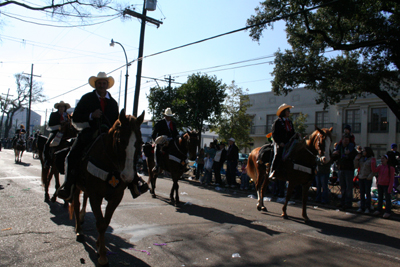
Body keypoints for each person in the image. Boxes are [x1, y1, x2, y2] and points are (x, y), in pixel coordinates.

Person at [57, 72, 119, 201]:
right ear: (95, 85)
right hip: (89, 133)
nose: (102, 86)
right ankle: (68, 186)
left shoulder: (113, 103)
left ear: (107, 85)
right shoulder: (86, 98)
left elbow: (116, 121)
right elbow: (76, 118)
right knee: (72, 155)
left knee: (124, 151)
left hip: (108, 134)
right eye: (99, 83)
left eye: (104, 83)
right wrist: (91, 115)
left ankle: (133, 182)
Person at [269, 103, 298, 179]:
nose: (289, 112)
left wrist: (296, 136)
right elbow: (274, 134)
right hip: (279, 143)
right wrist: (279, 142)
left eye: (289, 110)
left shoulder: (290, 122)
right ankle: (273, 171)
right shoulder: (277, 122)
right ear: (283, 112)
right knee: (278, 154)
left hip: (289, 143)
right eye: (287, 110)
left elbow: (292, 133)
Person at [332, 134, 358, 210]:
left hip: (349, 170)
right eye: (345, 140)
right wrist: (334, 154)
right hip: (340, 169)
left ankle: (348, 203)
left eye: (347, 140)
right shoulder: (339, 148)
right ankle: (342, 202)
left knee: (349, 188)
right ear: (342, 140)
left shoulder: (351, 149)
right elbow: (335, 158)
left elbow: (355, 157)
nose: (346, 142)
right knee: (342, 187)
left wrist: (348, 155)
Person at [151, 107, 179, 173]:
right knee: (157, 149)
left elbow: (176, 133)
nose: (169, 118)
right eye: (168, 116)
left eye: (170, 116)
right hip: (161, 140)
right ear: (165, 116)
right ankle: (157, 165)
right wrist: (156, 141)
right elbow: (154, 134)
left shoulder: (173, 124)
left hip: (171, 140)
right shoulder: (160, 123)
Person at [43, 101, 71, 167]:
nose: (62, 108)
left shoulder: (68, 115)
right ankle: (47, 160)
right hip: (56, 132)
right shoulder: (53, 114)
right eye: (60, 107)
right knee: (47, 144)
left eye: (63, 107)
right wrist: (59, 125)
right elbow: (50, 125)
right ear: (58, 108)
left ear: (65, 108)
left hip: (66, 132)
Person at [371, 154, 395, 219]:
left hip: (387, 185)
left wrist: (390, 188)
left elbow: (392, 179)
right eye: (381, 158)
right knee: (380, 198)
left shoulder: (391, 168)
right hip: (380, 184)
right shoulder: (380, 166)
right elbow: (374, 170)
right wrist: (373, 163)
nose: (381, 160)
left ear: (387, 160)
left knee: (387, 199)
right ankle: (379, 209)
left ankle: (388, 211)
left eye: (383, 158)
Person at [354, 147, 375, 213]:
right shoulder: (361, 159)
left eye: (364, 151)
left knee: (367, 193)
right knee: (362, 193)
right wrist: (356, 159)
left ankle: (368, 207)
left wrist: (370, 176)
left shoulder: (372, 159)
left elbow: (374, 170)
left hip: (367, 178)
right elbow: (356, 166)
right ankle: (362, 206)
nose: (363, 152)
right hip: (361, 177)